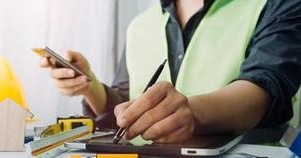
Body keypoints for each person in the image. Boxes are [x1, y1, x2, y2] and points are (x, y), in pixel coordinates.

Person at [41, 0, 301, 143]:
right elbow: (125, 105)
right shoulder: (140, 25)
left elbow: (267, 89)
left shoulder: (276, 4)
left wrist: (191, 113)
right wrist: (91, 87)